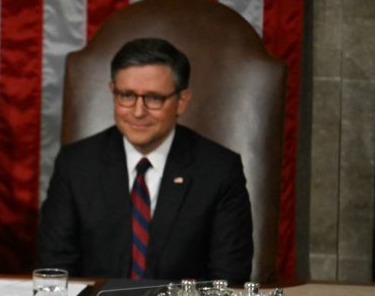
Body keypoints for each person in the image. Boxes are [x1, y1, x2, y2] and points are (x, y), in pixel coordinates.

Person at [38, 37, 253, 283]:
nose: (138, 112)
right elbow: (54, 270)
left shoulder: (219, 170)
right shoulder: (75, 164)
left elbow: (229, 279)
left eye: (154, 98)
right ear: (113, 92)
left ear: (181, 101)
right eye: (126, 95)